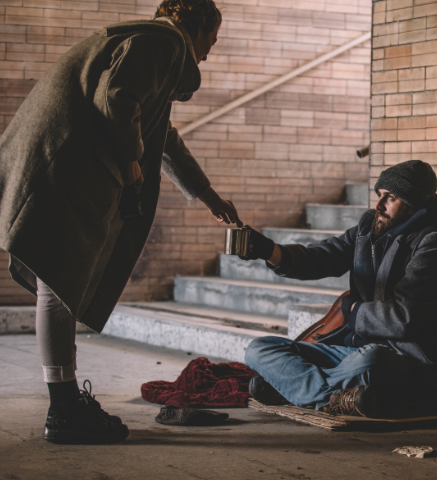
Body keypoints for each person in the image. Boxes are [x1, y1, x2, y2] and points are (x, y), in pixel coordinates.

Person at [0, 0, 241, 444]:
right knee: (60, 283)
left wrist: (206, 194)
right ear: (195, 25)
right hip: (64, 166)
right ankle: (64, 409)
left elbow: (160, 133)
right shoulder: (164, 41)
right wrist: (130, 159)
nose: (210, 50)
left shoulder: (146, 42)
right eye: (212, 38)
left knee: (59, 285)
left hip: (53, 162)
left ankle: (65, 401)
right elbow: (118, 98)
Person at [243, 160, 437, 418]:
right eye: (379, 195)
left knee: (371, 360)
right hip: (349, 351)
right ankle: (333, 398)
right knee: (259, 349)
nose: (379, 205)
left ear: (412, 203)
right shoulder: (367, 229)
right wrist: (269, 251)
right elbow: (320, 258)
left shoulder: (433, 246)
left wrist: (353, 310)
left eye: (390, 198)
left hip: (404, 358)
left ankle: (294, 390)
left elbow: (404, 319)